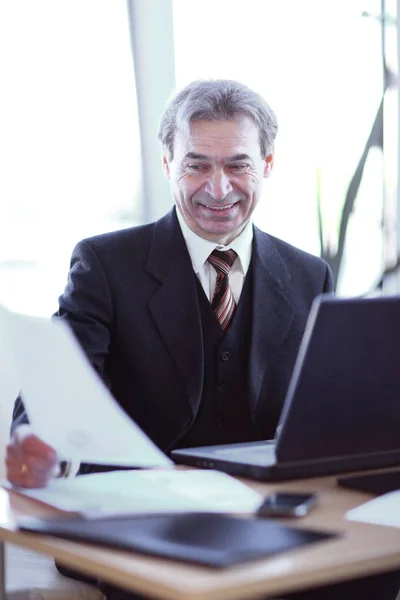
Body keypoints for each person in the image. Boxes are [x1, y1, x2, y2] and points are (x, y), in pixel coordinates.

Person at [6, 80, 400, 600]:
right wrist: (42, 446)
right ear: (168, 163)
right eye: (197, 165)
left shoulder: (309, 276)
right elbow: (53, 393)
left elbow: (328, 418)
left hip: (270, 517)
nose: (218, 189)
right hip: (143, 524)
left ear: (268, 164)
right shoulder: (106, 265)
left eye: (237, 165)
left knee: (369, 576)